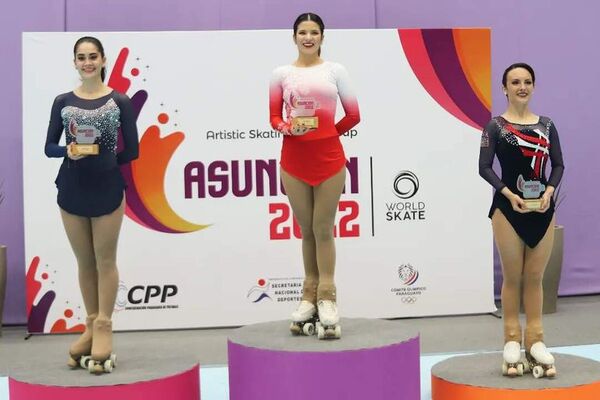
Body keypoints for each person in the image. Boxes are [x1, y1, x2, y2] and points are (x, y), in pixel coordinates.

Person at [44, 36, 139, 373]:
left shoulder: (119, 101)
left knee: (105, 260)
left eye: (93, 57)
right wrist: (68, 151)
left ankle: (104, 326)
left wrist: (106, 160)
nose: (87, 62)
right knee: (84, 262)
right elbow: (49, 147)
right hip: (72, 188)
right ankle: (89, 323)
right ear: (75, 62)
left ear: (102, 60)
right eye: (81, 57)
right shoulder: (63, 102)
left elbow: (133, 152)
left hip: (107, 188)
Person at [269, 12, 360, 339]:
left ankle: (327, 297)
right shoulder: (281, 74)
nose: (308, 37)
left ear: (322, 37)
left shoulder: (336, 71)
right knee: (306, 230)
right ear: (294, 37)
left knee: (323, 229)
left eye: (314, 32)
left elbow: (353, 115)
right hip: (293, 161)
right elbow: (273, 117)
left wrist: (325, 134)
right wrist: (288, 128)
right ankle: (308, 295)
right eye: (303, 32)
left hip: (329, 160)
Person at [479, 63, 564, 378]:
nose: (522, 87)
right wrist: (507, 193)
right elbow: (484, 166)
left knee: (534, 277)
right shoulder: (495, 126)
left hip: (542, 208)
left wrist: (549, 192)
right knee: (513, 277)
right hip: (508, 208)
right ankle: (512, 339)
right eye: (515, 82)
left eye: (527, 81)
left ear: (534, 86)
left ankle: (536, 340)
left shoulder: (547, 125)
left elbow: (558, 165)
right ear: (505, 88)